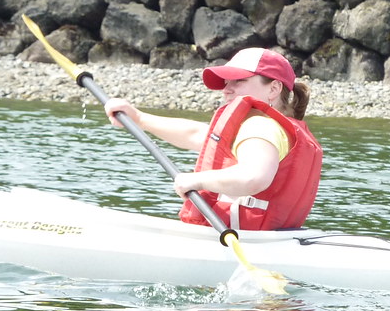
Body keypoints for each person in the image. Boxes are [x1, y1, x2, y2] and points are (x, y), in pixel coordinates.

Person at [104, 47, 322, 231]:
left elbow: (254, 177)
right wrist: (139, 118)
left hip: (242, 240)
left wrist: (197, 181)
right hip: (270, 238)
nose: (226, 90)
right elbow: (195, 134)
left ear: (273, 88)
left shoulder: (260, 126)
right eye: (227, 82)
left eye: (239, 81)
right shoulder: (273, 127)